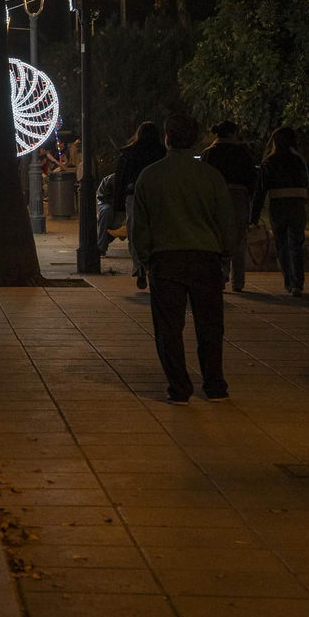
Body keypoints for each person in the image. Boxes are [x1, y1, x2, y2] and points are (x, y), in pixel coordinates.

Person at [129, 115, 233, 403]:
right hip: (205, 258)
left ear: (167, 138)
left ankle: (179, 388)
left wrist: (145, 259)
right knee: (210, 326)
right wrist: (224, 255)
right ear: (195, 139)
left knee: (169, 329)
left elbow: (139, 226)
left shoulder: (150, 176)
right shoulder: (211, 176)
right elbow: (226, 223)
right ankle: (214, 385)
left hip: (166, 259)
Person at [254, 126, 309, 297]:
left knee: (281, 244)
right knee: (296, 243)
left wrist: (254, 216)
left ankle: (288, 281)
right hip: (296, 204)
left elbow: (260, 191)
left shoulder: (269, 161)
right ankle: (297, 283)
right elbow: (308, 182)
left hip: (278, 204)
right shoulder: (299, 160)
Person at [201, 121, 258, 292]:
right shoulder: (242, 153)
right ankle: (238, 281)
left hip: (214, 198)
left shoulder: (208, 153)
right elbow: (251, 179)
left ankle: (220, 273)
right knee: (239, 239)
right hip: (238, 197)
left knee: (216, 237)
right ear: (232, 133)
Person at [113, 121, 168, 290]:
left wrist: (118, 207)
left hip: (134, 195)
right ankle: (154, 266)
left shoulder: (128, 154)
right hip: (157, 195)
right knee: (156, 232)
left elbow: (120, 181)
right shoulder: (163, 153)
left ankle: (139, 267)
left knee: (134, 231)